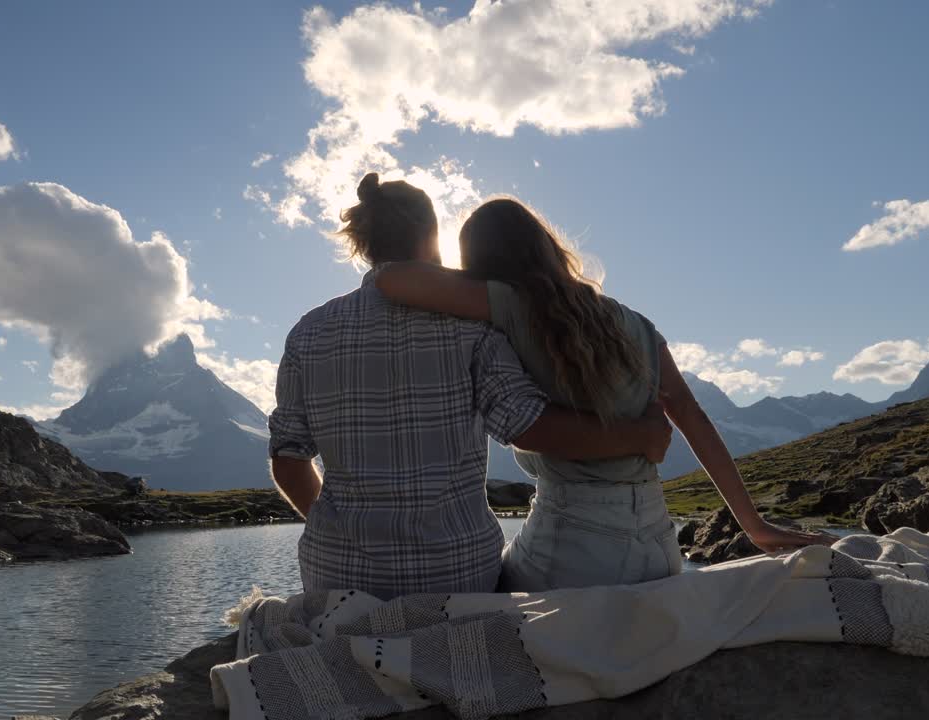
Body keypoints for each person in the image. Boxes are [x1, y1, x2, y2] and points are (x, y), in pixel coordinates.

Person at [375, 197, 831, 591]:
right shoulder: (637, 325)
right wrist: (752, 525)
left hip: (571, 548)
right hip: (658, 546)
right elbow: (693, 418)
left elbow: (390, 279)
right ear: (545, 247)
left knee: (489, 587)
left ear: (482, 262)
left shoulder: (509, 303)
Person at [268, 174, 673, 600]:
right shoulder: (469, 324)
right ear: (431, 236)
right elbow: (527, 427)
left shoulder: (308, 333)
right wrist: (638, 436)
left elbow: (288, 460)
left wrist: (334, 529)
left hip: (337, 577)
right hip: (456, 576)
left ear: (363, 244)